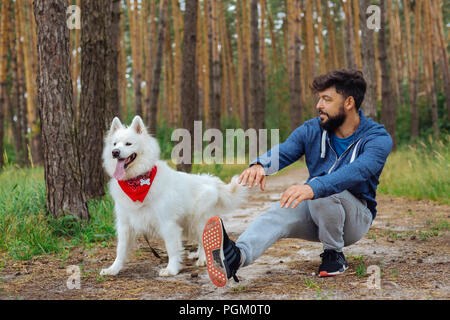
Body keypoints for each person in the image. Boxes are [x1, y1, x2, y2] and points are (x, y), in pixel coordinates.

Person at [202, 69, 393, 287]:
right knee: (276, 214)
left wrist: (314, 187)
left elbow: (358, 171)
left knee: (320, 189)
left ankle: (334, 255)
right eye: (319, 98)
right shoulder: (313, 129)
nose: (318, 105)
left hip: (355, 218)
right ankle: (236, 258)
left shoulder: (377, 139)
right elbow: (286, 150)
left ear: (349, 103)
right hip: (320, 210)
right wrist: (260, 165)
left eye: (326, 99)